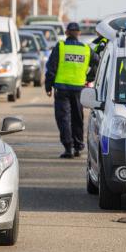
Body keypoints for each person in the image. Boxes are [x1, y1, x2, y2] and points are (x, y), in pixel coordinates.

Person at [45, 22, 100, 159]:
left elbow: (52, 67)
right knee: (77, 118)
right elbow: (98, 62)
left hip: (61, 88)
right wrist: (90, 77)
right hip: (78, 89)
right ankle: (78, 146)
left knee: (63, 119)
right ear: (79, 33)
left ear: (67, 32)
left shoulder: (61, 47)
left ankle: (68, 148)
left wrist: (48, 86)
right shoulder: (86, 49)